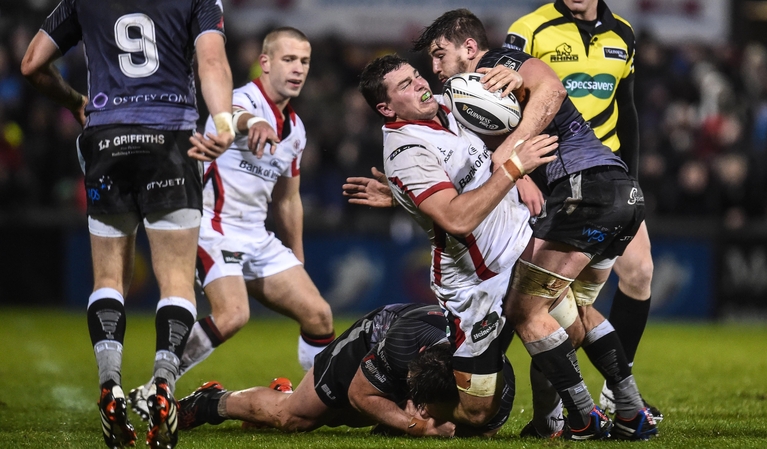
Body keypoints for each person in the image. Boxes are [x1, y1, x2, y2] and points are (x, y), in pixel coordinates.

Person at [352, 9, 657, 440]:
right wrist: (513, 169)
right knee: (481, 410)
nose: (425, 78)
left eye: (422, 70)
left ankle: (575, 420)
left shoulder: (465, 90)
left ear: (468, 48)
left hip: (543, 224)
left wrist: (515, 130)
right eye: (408, 83)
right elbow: (456, 217)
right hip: (475, 281)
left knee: (552, 316)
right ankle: (413, 410)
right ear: (386, 107)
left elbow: (538, 96)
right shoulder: (407, 151)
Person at [21, 1, 235, 448]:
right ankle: (163, 385)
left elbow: (32, 64)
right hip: (171, 139)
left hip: (107, 138)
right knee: (175, 279)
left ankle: (110, 385)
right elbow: (212, 60)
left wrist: (75, 101)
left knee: (108, 278)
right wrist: (223, 123)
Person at [128, 26, 335, 423]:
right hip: (212, 227)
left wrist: (297, 257)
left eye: (304, 61)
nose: (297, 69)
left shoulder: (296, 130)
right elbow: (233, 116)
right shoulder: (238, 99)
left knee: (319, 315)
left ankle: (318, 403)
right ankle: (156, 387)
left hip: (256, 235)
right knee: (233, 314)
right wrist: (251, 123)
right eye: (289, 59)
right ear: (265, 62)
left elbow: (288, 200)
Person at [504, 0, 661, 420]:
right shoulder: (530, 28)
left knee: (639, 271)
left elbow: (627, 110)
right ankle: (552, 411)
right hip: (550, 175)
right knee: (552, 299)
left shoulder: (623, 34)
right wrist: (517, 174)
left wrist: (632, 178)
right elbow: (505, 107)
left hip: (605, 177)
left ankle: (613, 393)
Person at [177, 303, 515, 438]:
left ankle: (293, 393)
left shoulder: (494, 385)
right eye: (422, 404)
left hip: (418, 359)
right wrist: (417, 425)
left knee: (345, 418)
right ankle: (208, 402)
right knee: (296, 418)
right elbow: (360, 394)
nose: (424, 410)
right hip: (376, 336)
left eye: (427, 406)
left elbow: (483, 431)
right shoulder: (401, 346)